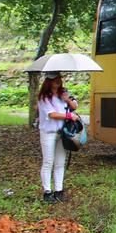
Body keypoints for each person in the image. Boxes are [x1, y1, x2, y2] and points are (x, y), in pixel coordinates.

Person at [36, 72, 79, 203]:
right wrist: (68, 117)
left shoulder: (63, 94)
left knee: (60, 162)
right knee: (48, 161)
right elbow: (52, 114)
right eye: (54, 79)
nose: (58, 81)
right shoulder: (44, 97)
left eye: (59, 79)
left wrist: (67, 99)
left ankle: (59, 191)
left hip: (62, 133)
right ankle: (47, 192)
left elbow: (74, 106)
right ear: (48, 81)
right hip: (48, 132)